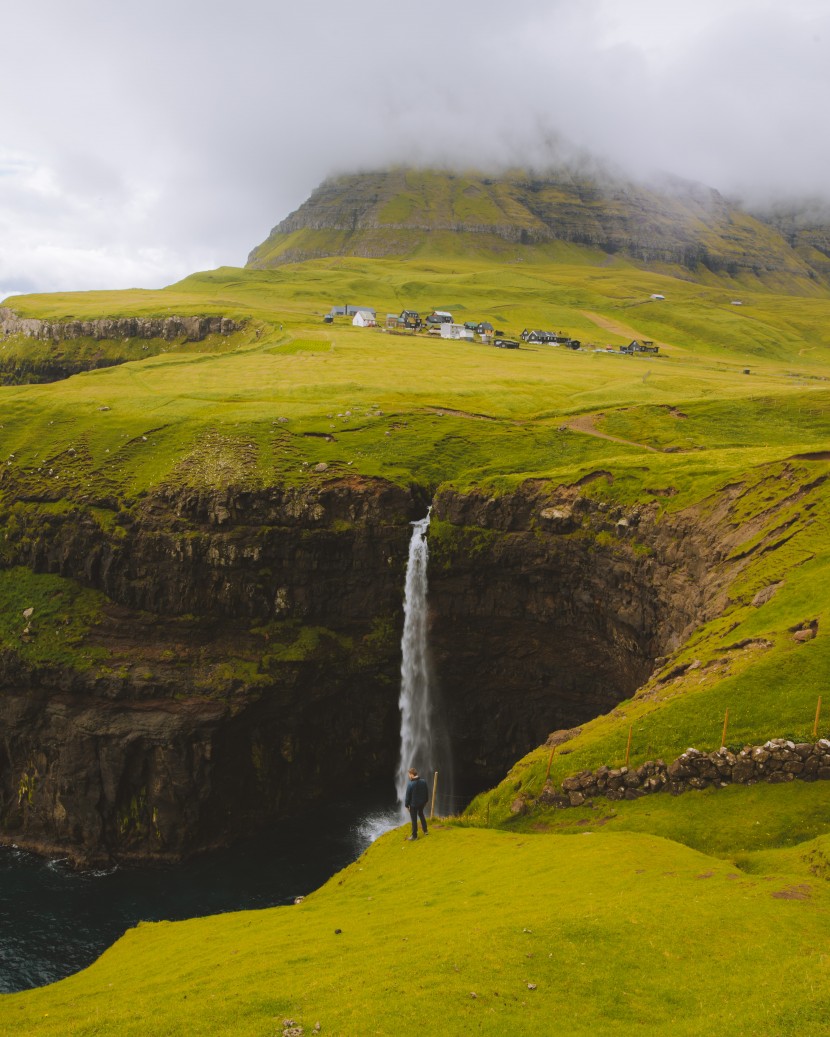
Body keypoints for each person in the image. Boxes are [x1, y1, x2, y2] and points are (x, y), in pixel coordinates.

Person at [404, 768, 429, 840]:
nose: (409, 776)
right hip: (422, 803)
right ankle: (425, 830)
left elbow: (407, 796)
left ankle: (414, 836)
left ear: (412, 775)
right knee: (421, 815)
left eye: (409, 775)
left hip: (413, 805)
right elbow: (426, 792)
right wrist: (426, 801)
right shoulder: (423, 782)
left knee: (414, 819)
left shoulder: (410, 784)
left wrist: (406, 805)